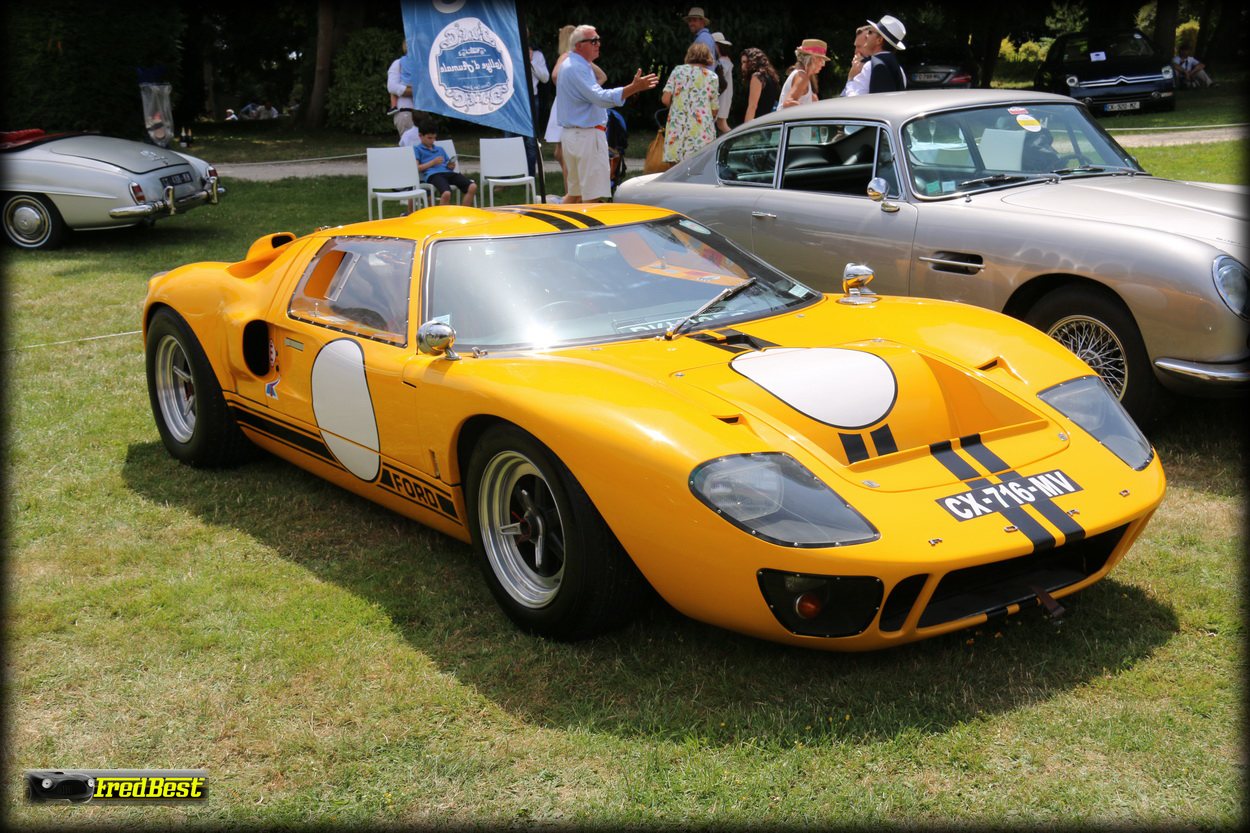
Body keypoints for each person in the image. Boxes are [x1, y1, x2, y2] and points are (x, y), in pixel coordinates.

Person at [556, 24, 657, 203]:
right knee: (591, 197)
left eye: (598, 40)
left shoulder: (572, 64)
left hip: (575, 135)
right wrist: (633, 88)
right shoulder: (577, 67)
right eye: (593, 41)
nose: (598, 44)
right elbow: (600, 98)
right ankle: (583, 225)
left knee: (575, 194)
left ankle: (555, 223)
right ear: (579, 45)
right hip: (586, 137)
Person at [545, 25, 604, 188]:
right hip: (569, 104)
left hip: (566, 104)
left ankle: (570, 190)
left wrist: (575, 90)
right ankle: (572, 191)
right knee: (563, 152)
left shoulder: (567, 57)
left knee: (565, 154)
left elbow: (555, 75)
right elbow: (602, 77)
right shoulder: (577, 61)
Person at [661, 42, 719, 168]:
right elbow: (714, 110)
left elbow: (665, 99)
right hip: (702, 130)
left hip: (678, 127)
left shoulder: (678, 71)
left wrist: (677, 108)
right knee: (698, 172)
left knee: (675, 172)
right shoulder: (712, 77)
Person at [409, 120, 477, 207]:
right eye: (429, 138)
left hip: (448, 173)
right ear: (420, 136)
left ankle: (464, 211)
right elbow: (417, 168)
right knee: (446, 193)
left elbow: (447, 163)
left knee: (472, 187)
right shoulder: (417, 149)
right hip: (434, 175)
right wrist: (432, 163)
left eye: (434, 138)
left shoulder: (440, 149)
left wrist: (450, 166)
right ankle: (441, 214)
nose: (432, 141)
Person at [841, 16, 907, 96]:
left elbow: (855, 100)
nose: (867, 35)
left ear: (879, 40)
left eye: (870, 32)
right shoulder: (900, 70)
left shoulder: (869, 66)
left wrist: (850, 79)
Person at [387, 39, 424, 137]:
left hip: (422, 112)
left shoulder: (423, 63)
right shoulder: (398, 63)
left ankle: (393, 107)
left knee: (425, 144)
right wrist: (417, 91)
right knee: (410, 144)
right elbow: (392, 87)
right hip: (406, 112)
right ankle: (393, 107)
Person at [779, 39, 828, 108]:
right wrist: (808, 110)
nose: (823, 64)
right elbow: (788, 103)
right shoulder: (802, 77)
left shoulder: (800, 75)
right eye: (822, 60)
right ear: (813, 59)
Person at [739, 47, 781, 121]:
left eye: (745, 62)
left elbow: (752, 106)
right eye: (742, 63)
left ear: (753, 61)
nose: (743, 67)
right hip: (768, 121)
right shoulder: (771, 77)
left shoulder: (757, 77)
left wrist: (746, 126)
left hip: (758, 123)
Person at [712, 32, 734, 133]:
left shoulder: (722, 61)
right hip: (725, 95)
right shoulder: (725, 60)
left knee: (722, 124)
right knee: (721, 124)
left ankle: (734, 138)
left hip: (722, 96)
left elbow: (718, 75)